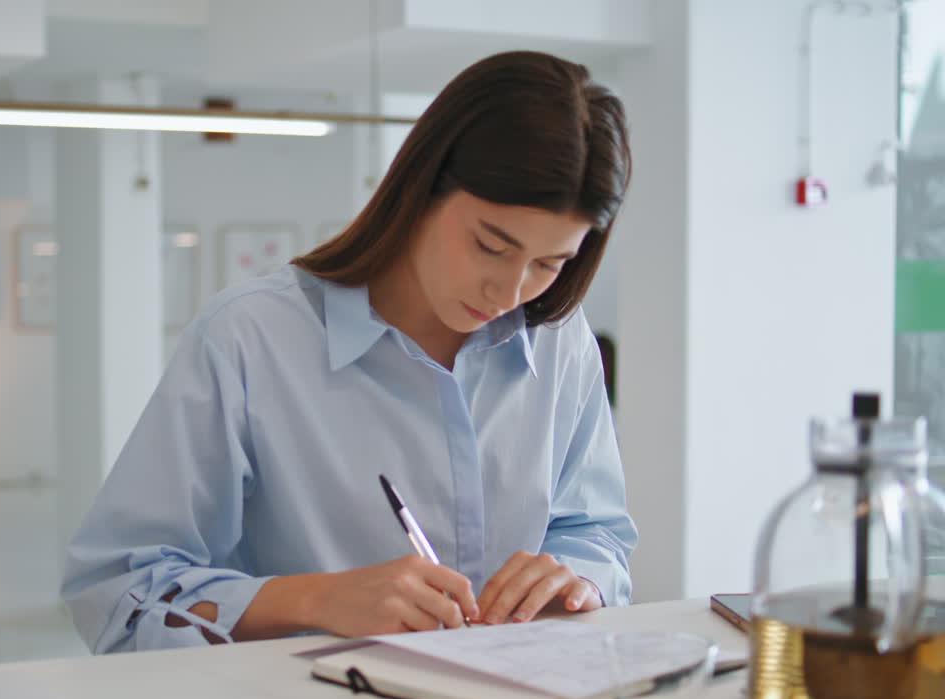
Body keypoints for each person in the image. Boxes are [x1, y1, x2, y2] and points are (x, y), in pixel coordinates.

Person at [62, 50, 638, 653]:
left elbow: (596, 532)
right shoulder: (249, 338)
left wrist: (578, 581)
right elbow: (118, 594)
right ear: (422, 187)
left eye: (550, 263)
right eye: (490, 244)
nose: (510, 291)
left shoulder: (560, 340)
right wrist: (317, 599)